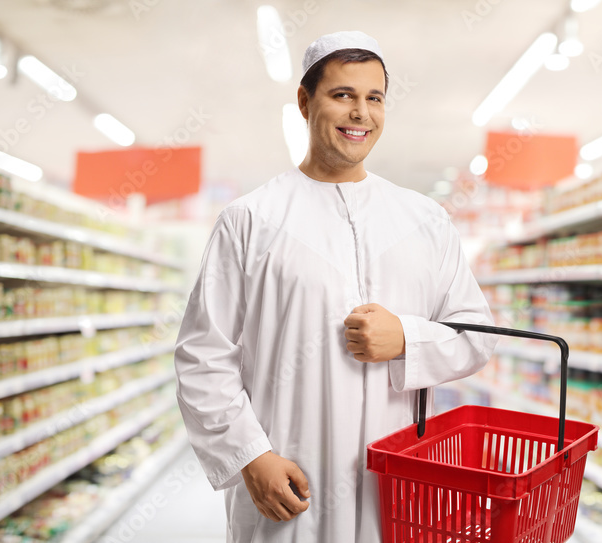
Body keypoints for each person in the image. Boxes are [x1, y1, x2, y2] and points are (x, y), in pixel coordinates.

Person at [174, 30, 497, 542]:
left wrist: (410, 340)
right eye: (343, 95)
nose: (360, 113)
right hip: (288, 485)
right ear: (305, 102)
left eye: (374, 99)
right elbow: (202, 354)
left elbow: (477, 335)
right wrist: (250, 456)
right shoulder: (250, 220)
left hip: (398, 491)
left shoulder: (424, 220)